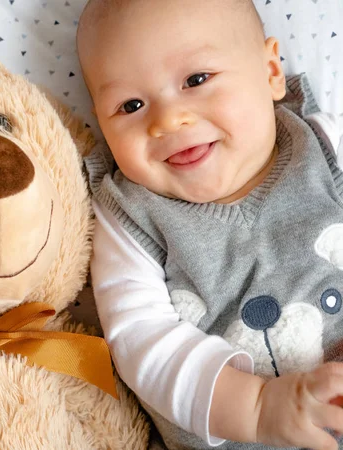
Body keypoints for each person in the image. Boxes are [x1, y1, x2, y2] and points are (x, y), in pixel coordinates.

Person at [77, 0, 343, 448]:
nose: (167, 120)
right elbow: (141, 342)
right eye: (131, 104)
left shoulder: (323, 145)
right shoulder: (128, 215)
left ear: (270, 71)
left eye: (196, 80)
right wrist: (256, 408)